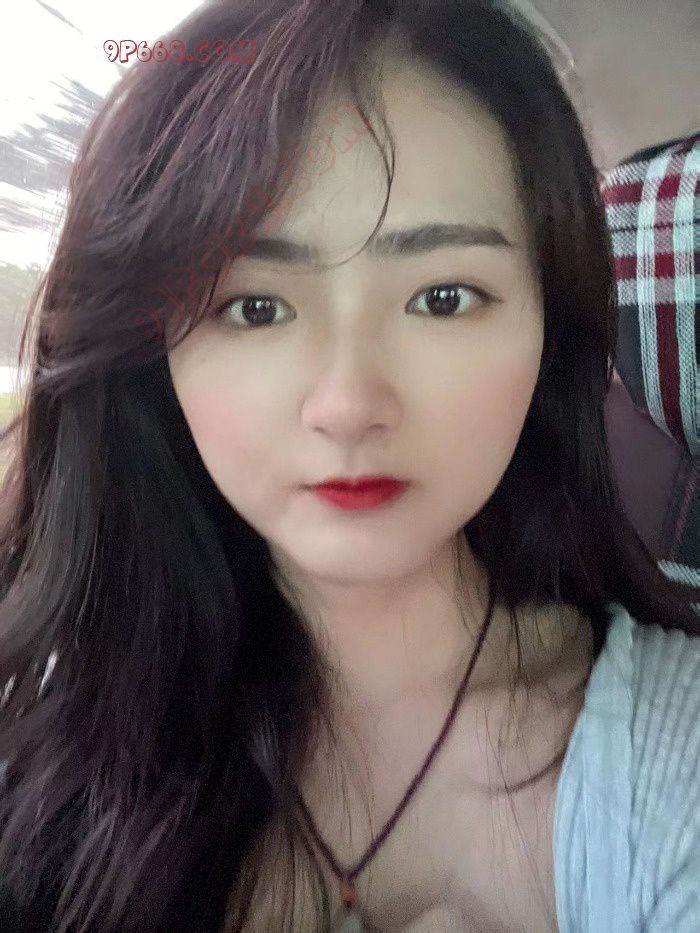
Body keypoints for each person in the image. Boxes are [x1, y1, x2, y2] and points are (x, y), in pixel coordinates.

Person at [0, 1, 698, 931]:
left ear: (549, 333)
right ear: (152, 359)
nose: (347, 403)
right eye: (254, 307)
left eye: (443, 297)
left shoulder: (674, 766)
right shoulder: (47, 727)